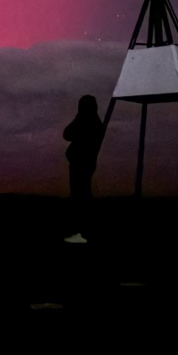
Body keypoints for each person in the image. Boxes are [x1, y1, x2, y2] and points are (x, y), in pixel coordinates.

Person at [62, 94, 104, 243]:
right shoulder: (96, 123)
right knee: (83, 195)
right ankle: (84, 231)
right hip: (85, 163)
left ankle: (83, 232)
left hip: (80, 163)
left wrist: (78, 117)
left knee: (80, 196)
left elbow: (67, 134)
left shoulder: (85, 121)